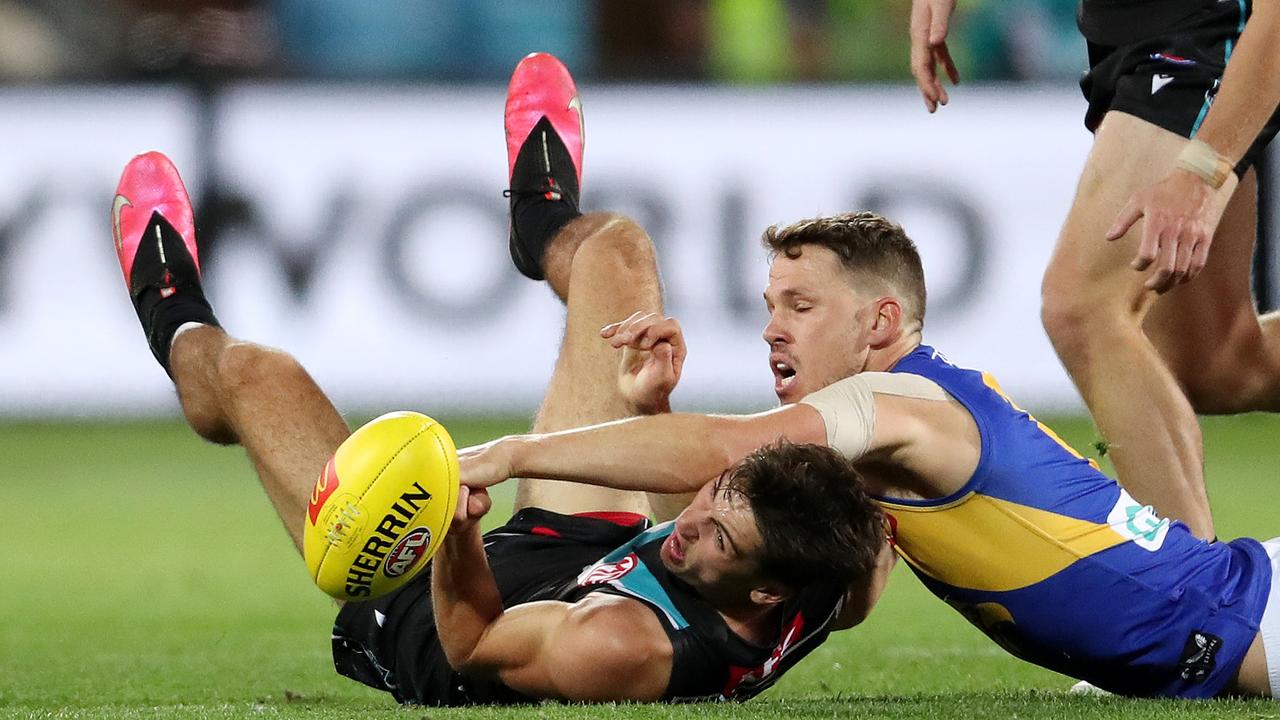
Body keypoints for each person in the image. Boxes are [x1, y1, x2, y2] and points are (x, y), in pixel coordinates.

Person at [106, 53, 886, 706]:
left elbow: (475, 642)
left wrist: (457, 527)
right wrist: (655, 407)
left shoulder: (619, 648)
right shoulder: (834, 567)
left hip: (460, 616)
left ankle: (174, 323)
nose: (692, 521)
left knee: (255, 374)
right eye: (719, 496)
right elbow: (705, 520)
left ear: (762, 596)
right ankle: (542, 223)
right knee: (617, 248)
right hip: (597, 553)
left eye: (719, 537)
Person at [460, 210, 1280, 698]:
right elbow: (845, 604)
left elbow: (721, 448)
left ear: (880, 325)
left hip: (1256, 616)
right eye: (771, 305)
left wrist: (512, 454)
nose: (773, 327)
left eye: (802, 305)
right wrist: (655, 409)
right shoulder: (879, 440)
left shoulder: (896, 405)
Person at [909, 0, 1280, 540]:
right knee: (1217, 364)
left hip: (1211, 28)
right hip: (1130, 30)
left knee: (1083, 305)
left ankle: (1198, 604)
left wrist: (1204, 169)